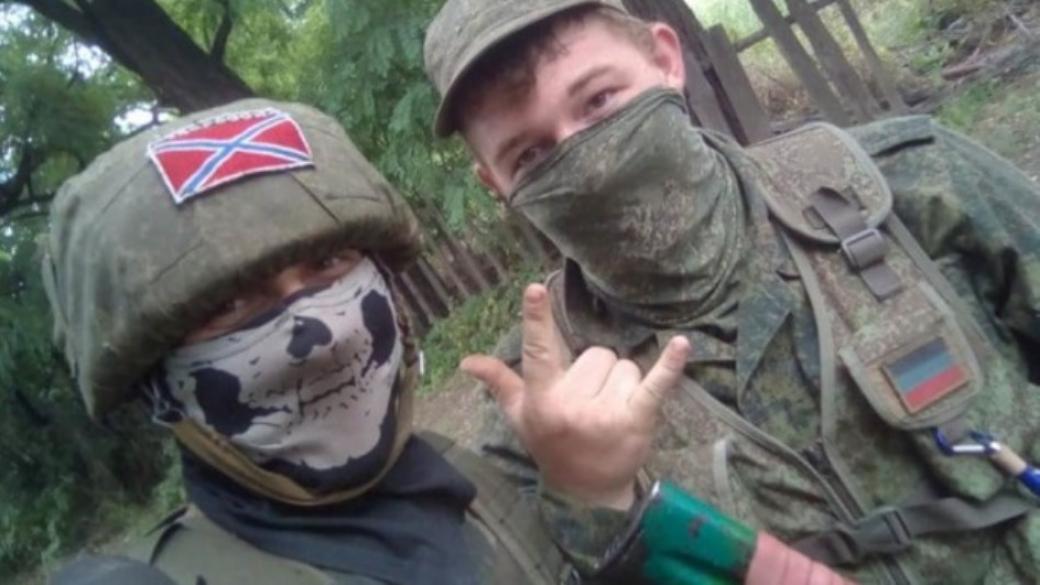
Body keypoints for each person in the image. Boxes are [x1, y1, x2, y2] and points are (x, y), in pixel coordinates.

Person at [42, 98, 848, 585]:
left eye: (328, 265)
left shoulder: (474, 476)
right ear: (156, 383)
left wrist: (595, 499)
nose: (318, 334)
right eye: (228, 303)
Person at [422, 1, 1040, 583]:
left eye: (600, 100)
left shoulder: (906, 183)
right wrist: (589, 498)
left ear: (666, 59)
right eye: (531, 155)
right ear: (493, 184)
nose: (586, 160)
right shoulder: (538, 403)